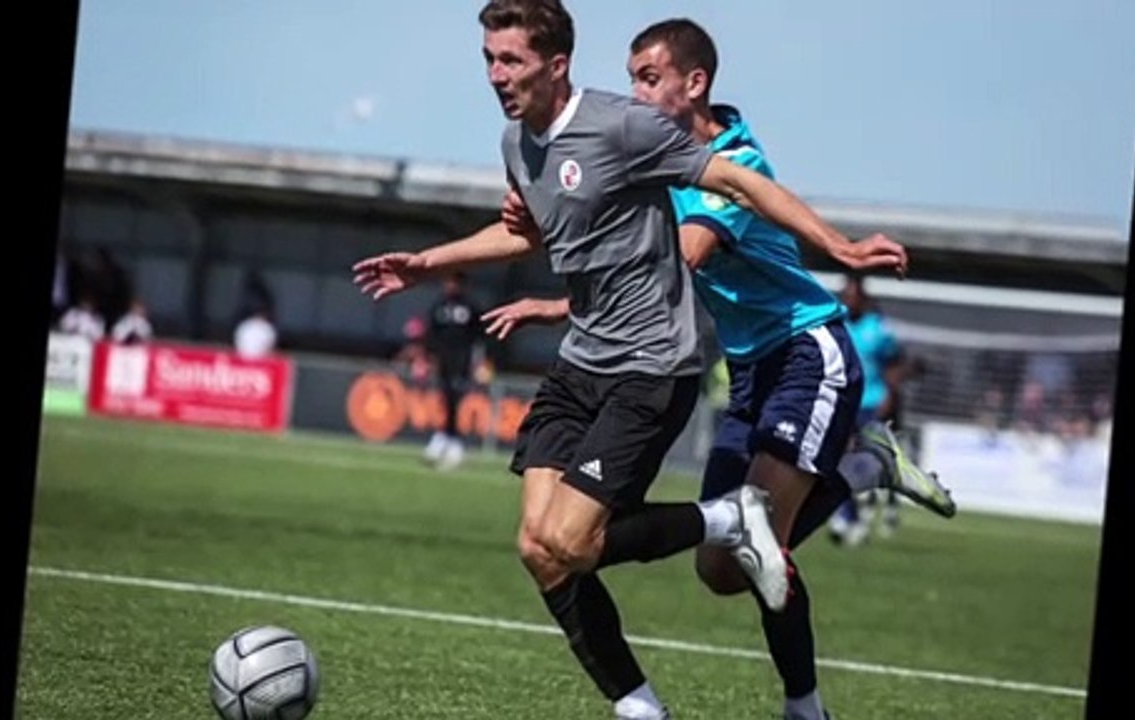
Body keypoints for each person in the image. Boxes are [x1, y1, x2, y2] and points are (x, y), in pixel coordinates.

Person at [352, 2, 908, 717]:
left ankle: (764, 539)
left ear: (556, 65)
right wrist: (429, 263)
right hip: (587, 362)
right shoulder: (516, 142)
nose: (495, 74)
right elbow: (542, 232)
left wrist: (839, 246)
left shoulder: (624, 126)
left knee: (576, 542)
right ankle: (640, 704)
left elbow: (733, 186)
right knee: (539, 546)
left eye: (510, 60)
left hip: (658, 364)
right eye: (489, 59)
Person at [483, 18, 954, 719]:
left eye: (649, 78)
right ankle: (863, 471)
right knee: (722, 569)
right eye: (632, 77)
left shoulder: (736, 163)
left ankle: (805, 705)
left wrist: (555, 302)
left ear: (693, 83)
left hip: (806, 353)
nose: (634, 94)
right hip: (746, 370)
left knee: (764, 539)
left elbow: (676, 256)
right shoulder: (654, 160)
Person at [827, 274, 944, 546]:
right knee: (838, 461)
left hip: (872, 403)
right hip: (843, 402)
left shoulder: (878, 329)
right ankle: (848, 516)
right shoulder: (837, 326)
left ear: (863, 298)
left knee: (864, 464)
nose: (848, 300)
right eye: (845, 295)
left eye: (853, 295)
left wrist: (891, 395)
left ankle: (866, 514)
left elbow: (896, 364)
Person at [422, 272, 483, 470]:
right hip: (443, 363)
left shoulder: (470, 308)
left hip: (462, 363)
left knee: (455, 401)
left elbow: (480, 337)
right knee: (446, 399)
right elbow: (430, 334)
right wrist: (429, 358)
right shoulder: (439, 307)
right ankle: (445, 438)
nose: (449, 286)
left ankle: (451, 441)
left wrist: (478, 363)